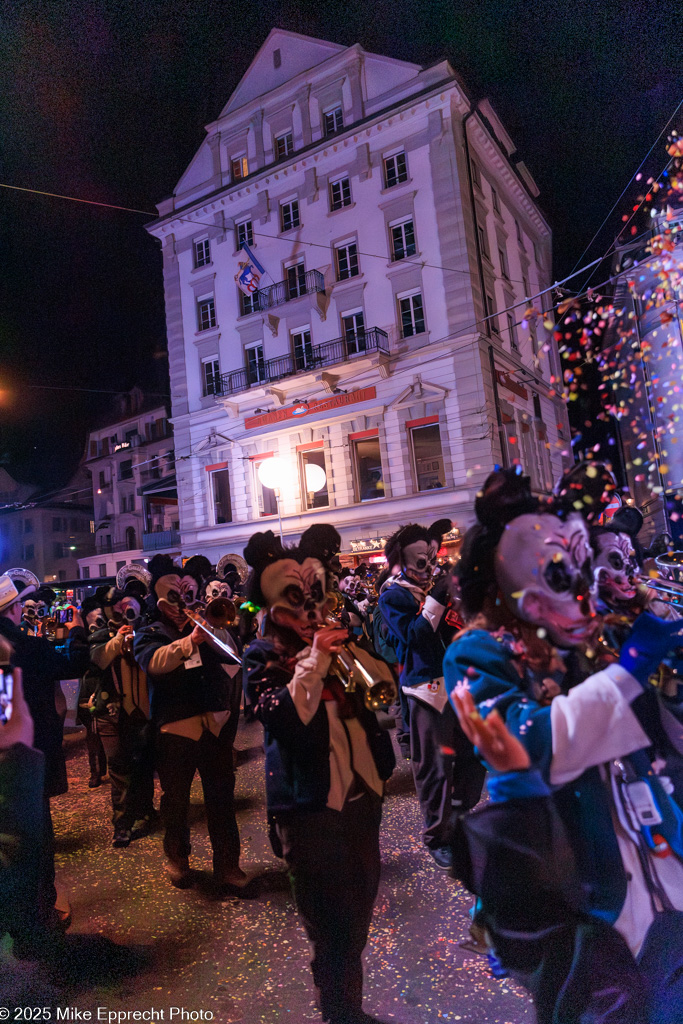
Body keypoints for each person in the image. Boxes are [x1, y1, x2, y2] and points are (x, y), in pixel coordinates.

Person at [443, 467, 683, 1024]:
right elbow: (530, 745)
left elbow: (656, 728)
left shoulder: (584, 636)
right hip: (583, 894)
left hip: (657, 857)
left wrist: (661, 657)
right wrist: (632, 663)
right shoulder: (476, 652)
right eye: (558, 570)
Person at [243, 530, 395, 1024]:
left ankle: (345, 1000)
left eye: (314, 597)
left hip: (361, 796)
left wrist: (352, 649)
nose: (310, 609)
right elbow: (284, 718)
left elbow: (384, 690)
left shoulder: (334, 639)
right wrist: (317, 659)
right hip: (308, 808)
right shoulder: (261, 656)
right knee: (330, 924)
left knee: (358, 912)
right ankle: (339, 1010)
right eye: (295, 598)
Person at [377, 520, 484, 870]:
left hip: (461, 684)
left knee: (472, 759)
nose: (429, 566)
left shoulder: (433, 588)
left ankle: (459, 817)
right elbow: (414, 638)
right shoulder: (392, 595)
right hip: (427, 689)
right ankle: (437, 836)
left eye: (431, 557)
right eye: (420, 560)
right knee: (436, 769)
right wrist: (436, 600)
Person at [134, 563, 244, 890]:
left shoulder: (208, 622)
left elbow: (234, 658)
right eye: (173, 593)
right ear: (159, 598)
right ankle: (177, 857)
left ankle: (228, 865)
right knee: (176, 802)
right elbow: (153, 662)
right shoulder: (149, 629)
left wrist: (212, 630)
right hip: (175, 728)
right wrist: (190, 641)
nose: (182, 599)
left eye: (187, 592)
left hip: (213, 724)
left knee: (221, 799)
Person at [0, 574, 90, 938]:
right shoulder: (25, 648)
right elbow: (73, 665)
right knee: (34, 840)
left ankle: (15, 921)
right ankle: (38, 920)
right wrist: (77, 631)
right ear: (13, 608)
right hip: (26, 759)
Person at [90, 578, 157, 848]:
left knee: (145, 763)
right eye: (115, 606)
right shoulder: (99, 633)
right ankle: (122, 823)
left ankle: (145, 810)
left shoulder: (150, 630)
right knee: (118, 767)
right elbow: (99, 660)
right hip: (112, 712)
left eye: (127, 605)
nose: (121, 610)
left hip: (144, 710)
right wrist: (118, 639)